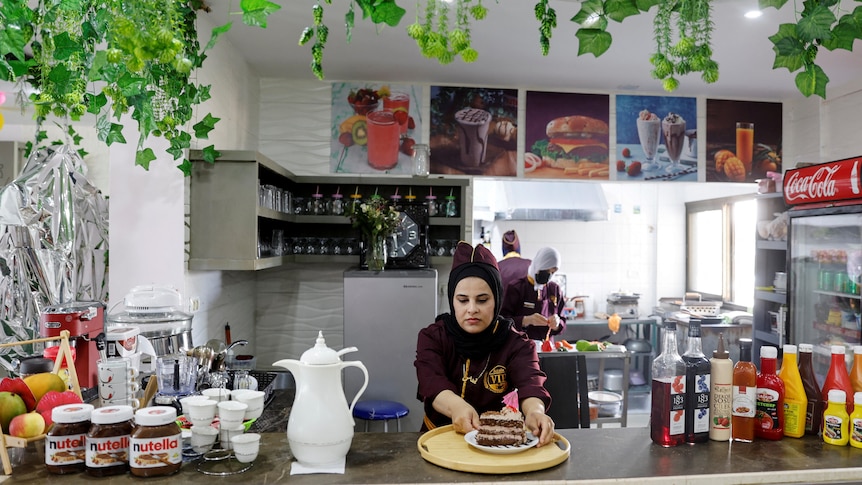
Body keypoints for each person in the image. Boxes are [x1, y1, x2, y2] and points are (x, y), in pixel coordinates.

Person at [415, 241, 556, 446]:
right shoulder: (434, 337)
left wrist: (535, 411)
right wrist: (456, 407)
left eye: (482, 300)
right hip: (439, 439)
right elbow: (431, 381)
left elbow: (531, 381)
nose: (472, 309)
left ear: (497, 299)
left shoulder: (516, 343)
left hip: (494, 443)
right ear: (452, 300)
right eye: (463, 300)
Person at [500, 246, 567, 342]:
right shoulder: (516, 287)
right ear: (538, 265)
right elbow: (503, 320)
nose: (549, 276)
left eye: (553, 272)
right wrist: (526, 320)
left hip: (547, 347)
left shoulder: (554, 289)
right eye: (546, 271)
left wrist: (557, 324)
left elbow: (563, 321)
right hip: (521, 347)